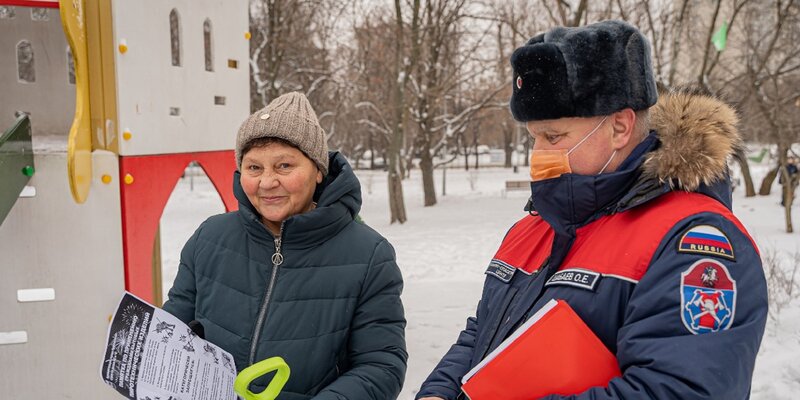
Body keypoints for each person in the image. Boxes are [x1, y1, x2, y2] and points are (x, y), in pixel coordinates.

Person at [417, 20, 767, 400]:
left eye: (554, 137)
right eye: (533, 138)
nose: (539, 154)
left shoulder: (692, 240)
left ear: (619, 127)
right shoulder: (536, 225)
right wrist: (441, 390)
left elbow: (683, 390)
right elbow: (484, 330)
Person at [163, 92, 407, 400]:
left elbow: (381, 366)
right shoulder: (209, 237)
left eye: (283, 166)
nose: (266, 182)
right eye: (254, 168)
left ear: (318, 171)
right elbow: (172, 330)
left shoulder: (369, 255)